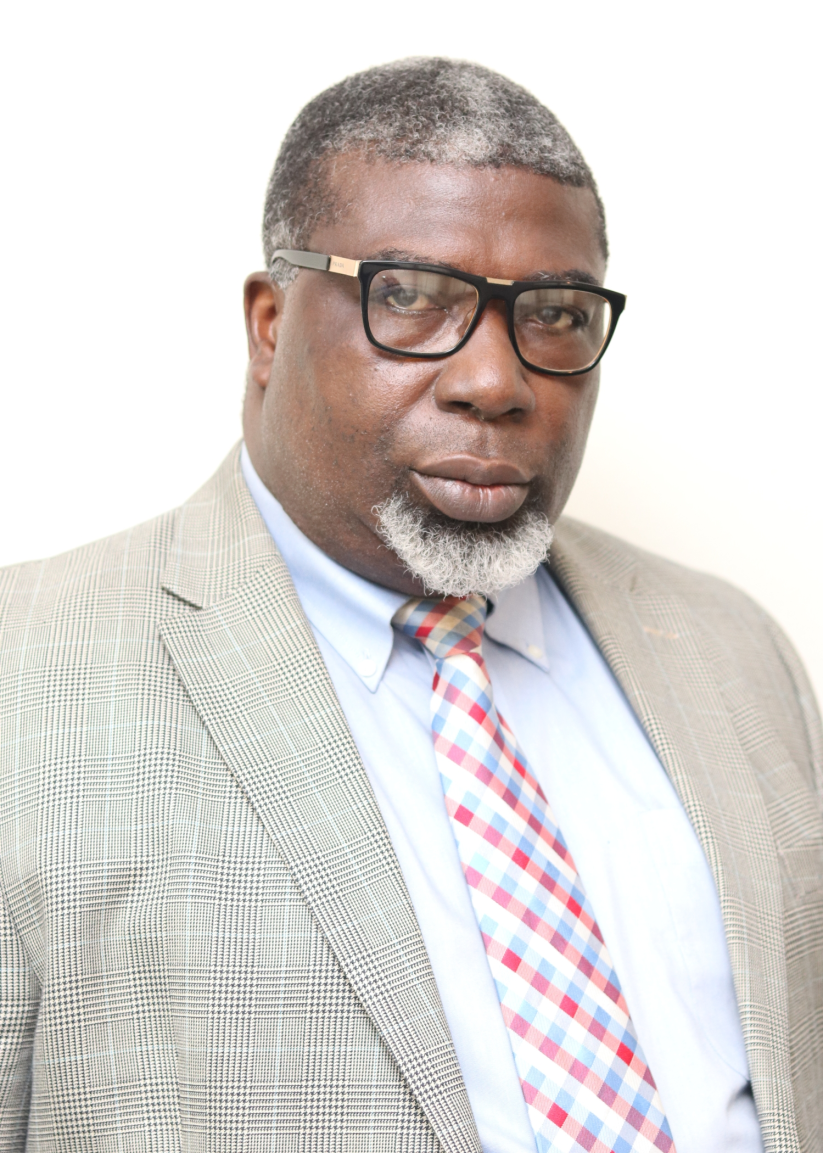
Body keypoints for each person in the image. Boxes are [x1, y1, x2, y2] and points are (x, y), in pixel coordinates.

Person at [0, 57, 820, 1153]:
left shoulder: (733, 650)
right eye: (411, 298)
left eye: (555, 314)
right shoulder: (26, 675)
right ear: (269, 325)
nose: (495, 382)